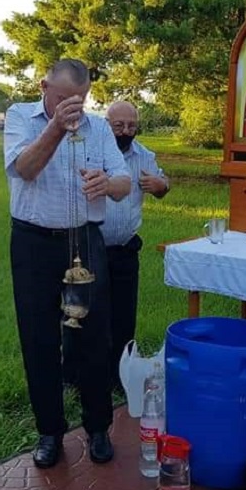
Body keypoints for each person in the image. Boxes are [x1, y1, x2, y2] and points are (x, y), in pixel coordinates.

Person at [4, 59, 130, 469]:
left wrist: (107, 183)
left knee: (94, 335)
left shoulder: (99, 128)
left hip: (85, 239)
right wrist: (56, 126)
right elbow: (25, 169)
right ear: (44, 87)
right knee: (38, 337)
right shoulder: (20, 116)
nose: (73, 107)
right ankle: (49, 432)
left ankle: (98, 427)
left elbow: (124, 182)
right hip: (34, 241)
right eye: (63, 99)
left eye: (80, 99)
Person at [99, 101, 169, 390]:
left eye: (131, 126)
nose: (125, 131)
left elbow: (163, 182)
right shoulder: (93, 151)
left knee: (123, 315)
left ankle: (119, 373)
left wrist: (161, 185)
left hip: (126, 248)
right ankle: (78, 375)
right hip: (92, 247)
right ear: (107, 125)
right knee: (85, 313)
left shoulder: (144, 156)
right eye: (119, 126)